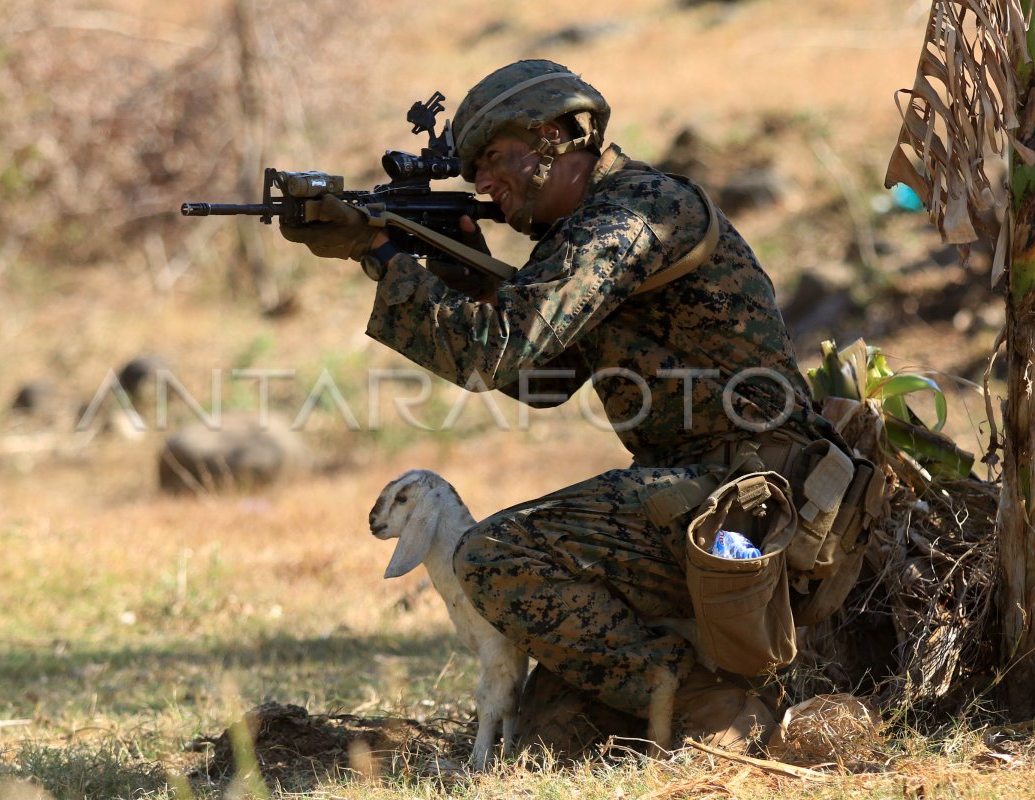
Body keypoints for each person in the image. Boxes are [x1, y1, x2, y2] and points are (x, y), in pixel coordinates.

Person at [280, 59, 836, 757]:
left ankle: (708, 705)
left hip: (748, 494)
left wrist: (383, 255)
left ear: (552, 138)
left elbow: (493, 352)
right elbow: (541, 382)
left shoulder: (632, 213)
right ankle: (688, 686)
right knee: (550, 733)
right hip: (704, 491)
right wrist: (454, 265)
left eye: (491, 159)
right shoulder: (588, 233)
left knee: (495, 555)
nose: (483, 184)